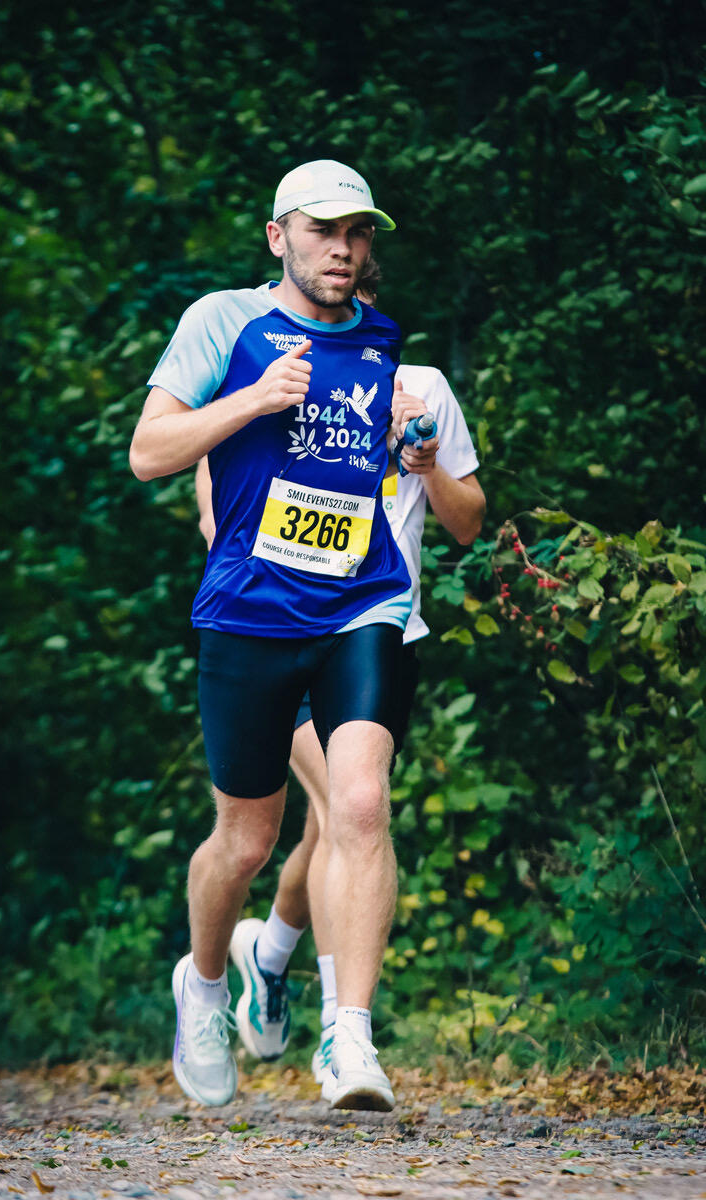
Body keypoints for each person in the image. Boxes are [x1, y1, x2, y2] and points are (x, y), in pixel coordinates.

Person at [130, 160, 440, 1112]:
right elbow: (151, 453)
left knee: (358, 803)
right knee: (248, 840)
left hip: (363, 602)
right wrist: (256, 400)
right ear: (279, 237)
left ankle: (349, 1040)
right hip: (251, 612)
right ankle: (207, 984)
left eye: (356, 234)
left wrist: (408, 452)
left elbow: (348, 466)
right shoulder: (222, 323)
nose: (341, 250)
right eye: (321, 232)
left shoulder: (383, 340)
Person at [196, 263, 486, 1099]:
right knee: (346, 808)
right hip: (281, 626)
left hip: (383, 628)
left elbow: (468, 520)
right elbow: (218, 513)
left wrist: (422, 458)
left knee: (341, 817)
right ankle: (338, 1029)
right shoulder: (260, 376)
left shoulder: (416, 383)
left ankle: (272, 955)